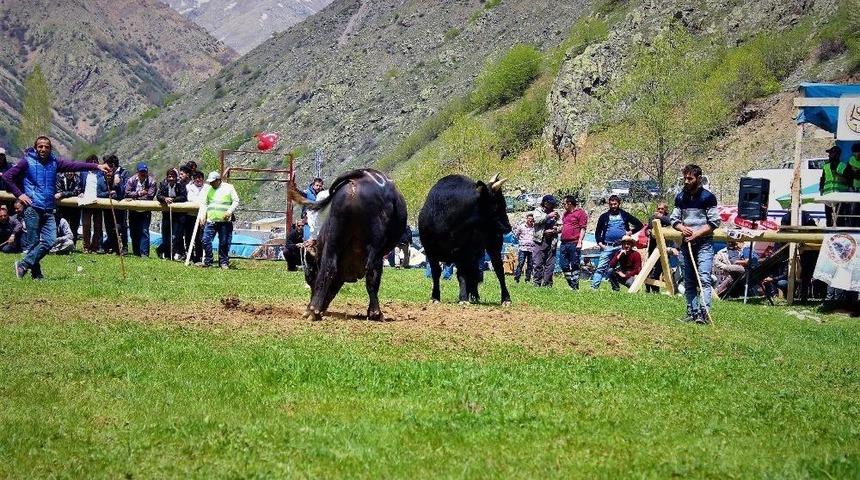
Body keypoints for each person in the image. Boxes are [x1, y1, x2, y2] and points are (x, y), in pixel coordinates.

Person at [2, 136, 110, 279]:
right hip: (32, 208)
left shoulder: (55, 163)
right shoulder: (26, 161)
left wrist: (97, 166)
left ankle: (23, 265)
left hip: (49, 209)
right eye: (40, 146)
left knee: (50, 240)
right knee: (33, 243)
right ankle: (36, 274)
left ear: (50, 148)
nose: (43, 149)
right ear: (36, 148)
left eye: (46, 147)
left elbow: (75, 165)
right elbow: (7, 177)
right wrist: (20, 194)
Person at [670, 164, 721, 324]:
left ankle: (704, 314)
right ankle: (692, 313)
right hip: (686, 244)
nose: (686, 181)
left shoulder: (708, 197)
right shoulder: (680, 197)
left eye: (690, 178)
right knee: (689, 280)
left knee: (704, 278)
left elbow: (714, 222)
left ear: (698, 179)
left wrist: (696, 234)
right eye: (685, 178)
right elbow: (674, 219)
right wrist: (681, 227)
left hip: (704, 243)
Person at [591, 195, 644, 290]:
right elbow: (598, 232)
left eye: (615, 204)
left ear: (619, 204)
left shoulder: (624, 215)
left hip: (622, 246)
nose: (613, 206)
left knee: (621, 268)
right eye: (611, 204)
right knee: (601, 268)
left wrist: (630, 232)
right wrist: (600, 243)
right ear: (609, 204)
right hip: (607, 246)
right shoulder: (604, 217)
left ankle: (628, 286)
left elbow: (639, 224)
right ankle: (594, 288)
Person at [198, 171, 239, 269]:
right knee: (205, 240)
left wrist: (229, 212)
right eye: (210, 182)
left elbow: (236, 201)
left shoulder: (229, 188)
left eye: (213, 182)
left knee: (224, 242)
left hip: (224, 221)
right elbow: (204, 203)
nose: (211, 183)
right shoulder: (208, 189)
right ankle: (208, 260)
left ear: (218, 180)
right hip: (211, 220)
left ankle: (223, 262)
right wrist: (202, 215)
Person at [124, 162, 156, 257]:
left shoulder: (152, 182)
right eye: (141, 171)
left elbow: (150, 195)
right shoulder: (131, 180)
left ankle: (144, 253)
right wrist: (139, 193)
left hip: (145, 210)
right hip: (133, 210)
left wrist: (134, 196)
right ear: (137, 172)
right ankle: (136, 252)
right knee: (133, 231)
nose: (143, 173)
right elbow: (126, 193)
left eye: (145, 172)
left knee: (144, 231)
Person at [155, 168, 188, 260]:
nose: (171, 178)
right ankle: (167, 254)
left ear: (176, 177)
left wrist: (173, 199)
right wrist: (165, 199)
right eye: (169, 176)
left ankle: (168, 252)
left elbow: (183, 197)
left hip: (178, 215)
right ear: (167, 177)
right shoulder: (163, 184)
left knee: (175, 236)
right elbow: (158, 196)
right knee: (165, 236)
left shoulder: (181, 185)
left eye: (173, 176)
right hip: (166, 214)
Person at [558, 195, 588, 290]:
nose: (563, 205)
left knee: (575, 263)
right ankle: (571, 283)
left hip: (574, 242)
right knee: (563, 264)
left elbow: (583, 228)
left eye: (564, 203)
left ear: (569, 203)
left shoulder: (580, 213)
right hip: (564, 243)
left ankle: (575, 285)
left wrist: (580, 242)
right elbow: (565, 226)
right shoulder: (565, 214)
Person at [79, 154, 106, 253]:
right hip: (86, 202)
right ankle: (86, 246)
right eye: (91, 162)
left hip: (98, 202)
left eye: (95, 162)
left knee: (98, 225)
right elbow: (80, 185)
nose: (93, 164)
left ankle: (95, 246)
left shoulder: (100, 173)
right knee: (86, 225)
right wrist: (80, 192)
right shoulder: (83, 173)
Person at [531, 195, 560, 287]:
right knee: (538, 263)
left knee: (550, 264)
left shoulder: (555, 213)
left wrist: (556, 229)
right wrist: (548, 216)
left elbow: (561, 225)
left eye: (553, 204)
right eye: (550, 203)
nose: (551, 205)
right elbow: (536, 221)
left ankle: (548, 284)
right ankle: (537, 283)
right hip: (540, 240)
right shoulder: (538, 211)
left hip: (552, 240)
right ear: (545, 203)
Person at [103, 154, 129, 254]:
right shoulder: (105, 172)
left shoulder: (124, 172)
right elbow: (103, 187)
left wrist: (117, 183)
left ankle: (124, 247)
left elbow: (123, 192)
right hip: (107, 205)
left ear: (113, 165)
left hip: (120, 206)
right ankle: (113, 247)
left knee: (121, 226)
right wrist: (109, 193)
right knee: (110, 227)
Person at [819, 145, 850, 227]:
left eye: (831, 153)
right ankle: (829, 232)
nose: (829, 155)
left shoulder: (843, 166)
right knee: (828, 218)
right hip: (828, 196)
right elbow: (823, 179)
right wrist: (821, 189)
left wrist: (839, 175)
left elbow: (848, 180)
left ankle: (840, 234)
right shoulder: (826, 166)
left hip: (840, 195)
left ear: (836, 154)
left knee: (840, 218)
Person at [645, 202, 672, 293]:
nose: (660, 210)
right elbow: (648, 228)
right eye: (658, 209)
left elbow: (670, 222)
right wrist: (647, 231)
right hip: (653, 247)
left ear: (666, 209)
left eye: (662, 209)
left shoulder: (670, 217)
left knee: (660, 268)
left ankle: (656, 289)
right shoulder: (652, 217)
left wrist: (660, 217)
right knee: (650, 268)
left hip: (665, 247)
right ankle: (648, 288)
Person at [54, 171, 81, 247]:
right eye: (67, 172)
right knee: (61, 226)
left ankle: (73, 245)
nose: (69, 173)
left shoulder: (78, 179)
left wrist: (62, 194)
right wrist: (64, 193)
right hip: (62, 207)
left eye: (71, 172)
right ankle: (59, 244)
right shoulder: (59, 178)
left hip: (75, 208)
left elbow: (76, 192)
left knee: (74, 227)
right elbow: (57, 190)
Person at [184, 170, 206, 262]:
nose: (198, 179)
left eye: (200, 177)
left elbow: (205, 200)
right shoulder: (188, 188)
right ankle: (190, 255)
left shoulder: (207, 188)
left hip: (202, 216)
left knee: (199, 238)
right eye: (196, 178)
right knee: (188, 237)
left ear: (203, 179)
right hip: (190, 215)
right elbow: (190, 199)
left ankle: (199, 256)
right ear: (193, 179)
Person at [512, 213, 536, 283]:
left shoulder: (535, 228)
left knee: (530, 265)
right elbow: (516, 235)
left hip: (532, 249)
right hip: (523, 248)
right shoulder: (521, 227)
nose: (530, 220)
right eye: (529, 219)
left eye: (532, 219)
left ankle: (527, 279)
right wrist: (520, 242)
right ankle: (517, 278)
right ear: (526, 219)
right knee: (521, 263)